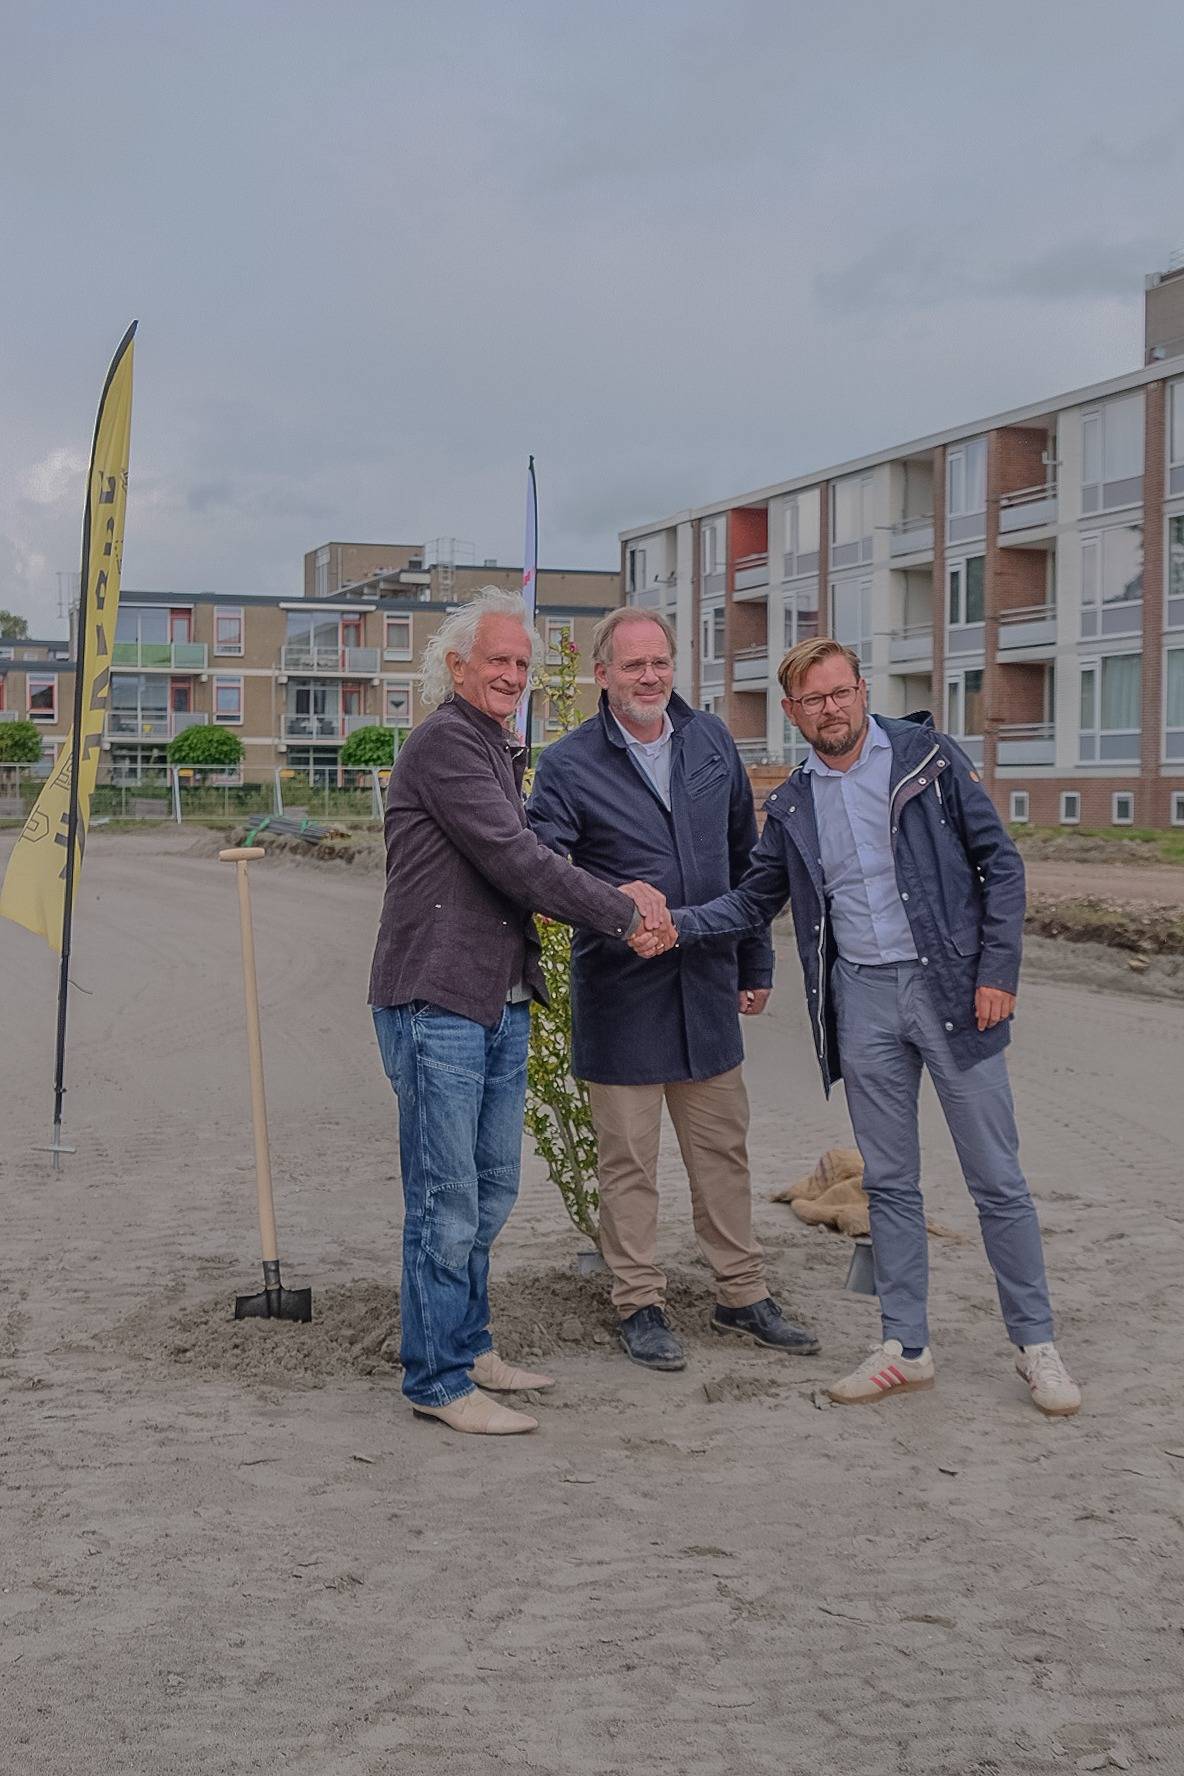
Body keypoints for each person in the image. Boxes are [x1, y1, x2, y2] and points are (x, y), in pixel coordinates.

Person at [650, 636, 1079, 1417]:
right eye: (813, 700)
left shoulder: (927, 756)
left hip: (951, 990)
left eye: (841, 692)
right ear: (792, 713)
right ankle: (904, 1348)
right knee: (888, 1183)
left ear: (861, 689)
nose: (831, 709)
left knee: (997, 1178)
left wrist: (996, 972)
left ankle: (1036, 1345)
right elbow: (754, 901)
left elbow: (1002, 867)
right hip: (863, 1001)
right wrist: (673, 925)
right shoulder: (794, 802)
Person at [369, 588, 669, 1437]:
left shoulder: (495, 746)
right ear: (456, 666)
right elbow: (517, 858)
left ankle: (467, 1346)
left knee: (491, 1190)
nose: (510, 674)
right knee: (445, 1200)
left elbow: (531, 860)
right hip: (437, 1002)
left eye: (522, 665)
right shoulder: (447, 746)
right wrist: (624, 909)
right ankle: (436, 1379)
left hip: (498, 1000)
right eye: (495, 660)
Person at [528, 608, 818, 1371]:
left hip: (707, 986)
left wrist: (755, 963)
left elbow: (744, 862)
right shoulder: (567, 764)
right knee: (628, 1163)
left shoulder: (711, 740)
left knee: (723, 1150)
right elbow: (542, 871)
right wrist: (617, 899)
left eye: (659, 662)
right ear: (603, 676)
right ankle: (640, 1303)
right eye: (633, 666)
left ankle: (740, 1293)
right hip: (620, 996)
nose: (650, 677)